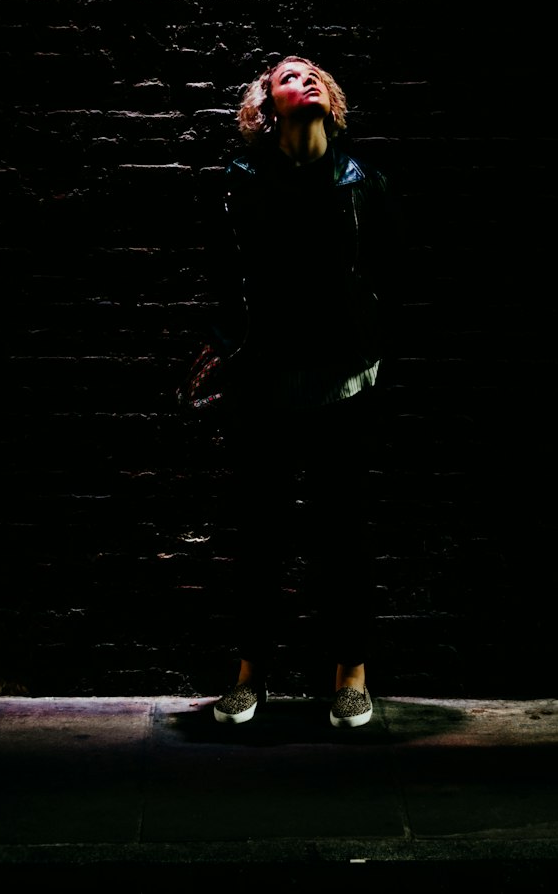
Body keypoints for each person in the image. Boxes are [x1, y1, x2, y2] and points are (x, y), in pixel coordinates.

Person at [198, 53, 396, 728]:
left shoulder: (362, 180)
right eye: (288, 76)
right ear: (268, 104)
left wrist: (370, 348)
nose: (303, 79)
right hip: (268, 386)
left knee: (343, 537)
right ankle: (251, 679)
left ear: (330, 101)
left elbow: (384, 276)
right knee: (262, 538)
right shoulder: (244, 179)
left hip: (344, 383)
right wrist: (229, 345)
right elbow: (228, 276)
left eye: (313, 74)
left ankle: (352, 678)